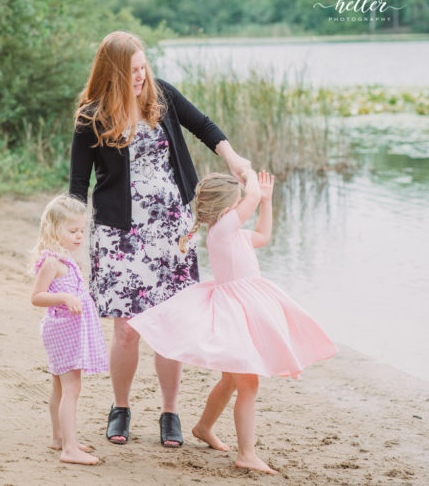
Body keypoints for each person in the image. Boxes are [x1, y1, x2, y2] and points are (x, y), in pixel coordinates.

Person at [69, 30, 251, 448]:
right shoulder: (91, 116)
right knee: (127, 331)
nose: (140, 76)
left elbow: (203, 125)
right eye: (132, 71)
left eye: (143, 67)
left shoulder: (161, 95)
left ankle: (170, 412)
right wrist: (71, 233)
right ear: (112, 72)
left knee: (171, 326)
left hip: (171, 232)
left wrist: (233, 157)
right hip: (120, 236)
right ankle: (121, 407)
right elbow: (79, 183)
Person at [128, 170, 336, 473]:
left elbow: (263, 236)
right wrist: (248, 172)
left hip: (245, 309)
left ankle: (203, 427)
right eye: (238, 204)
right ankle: (246, 454)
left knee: (231, 380)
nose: (243, 208)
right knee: (248, 383)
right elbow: (248, 197)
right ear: (227, 210)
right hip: (235, 313)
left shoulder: (233, 234)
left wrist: (266, 200)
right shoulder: (222, 231)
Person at [29, 195, 108, 466]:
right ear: (54, 230)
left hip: (67, 330)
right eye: (72, 231)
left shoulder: (65, 258)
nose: (78, 236)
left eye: (81, 231)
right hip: (62, 331)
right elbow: (37, 296)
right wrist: (64, 298)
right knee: (71, 388)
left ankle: (59, 438)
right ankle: (70, 449)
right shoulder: (52, 262)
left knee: (60, 387)